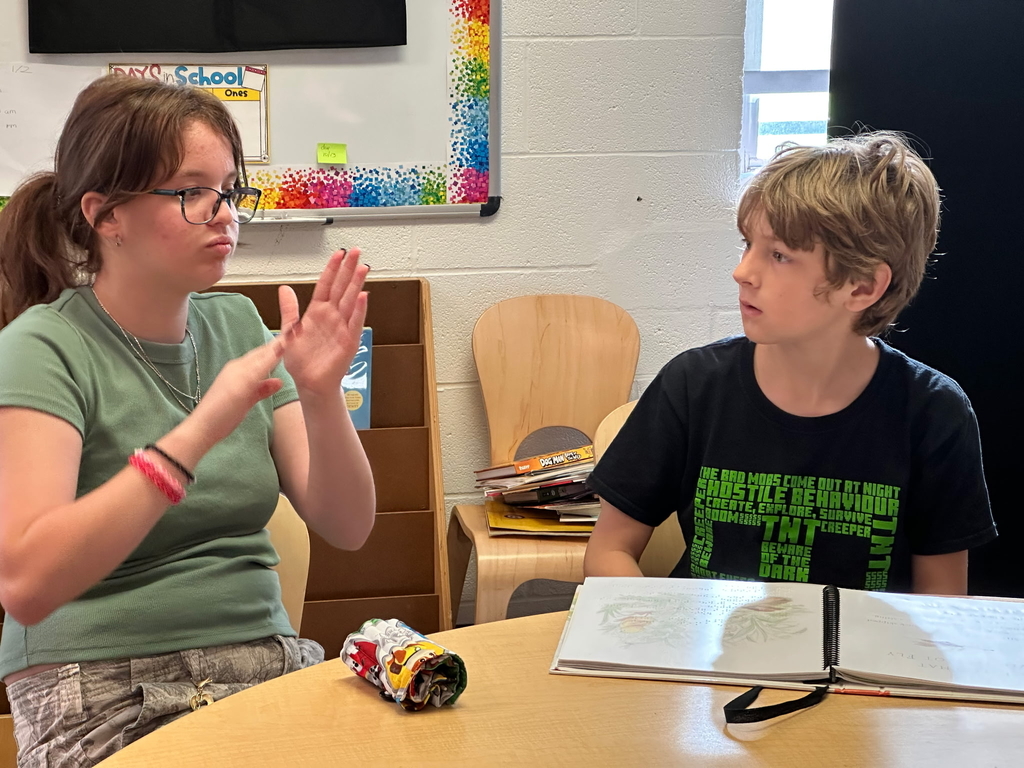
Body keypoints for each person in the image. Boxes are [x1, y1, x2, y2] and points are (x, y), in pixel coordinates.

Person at [0, 74, 376, 766]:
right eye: (190, 193)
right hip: (99, 686)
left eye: (229, 191)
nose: (224, 214)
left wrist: (321, 396)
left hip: (266, 664)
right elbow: (26, 585)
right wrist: (200, 429)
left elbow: (348, 526)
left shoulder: (237, 323)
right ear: (104, 214)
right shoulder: (40, 347)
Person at [585, 132, 996, 595]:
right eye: (748, 245)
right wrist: (658, 636)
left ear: (861, 287)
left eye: (779, 255)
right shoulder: (693, 385)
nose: (742, 272)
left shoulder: (933, 412)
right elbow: (608, 552)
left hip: (855, 665)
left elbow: (942, 605)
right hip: (702, 658)